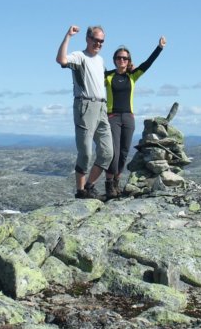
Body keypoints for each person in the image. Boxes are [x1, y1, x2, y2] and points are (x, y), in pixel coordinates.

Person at [103, 36, 166, 198]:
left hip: (129, 118)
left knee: (124, 152)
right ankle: (109, 184)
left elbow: (147, 64)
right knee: (113, 153)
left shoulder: (132, 76)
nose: (122, 60)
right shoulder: (107, 76)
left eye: (125, 58)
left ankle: (116, 182)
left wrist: (159, 48)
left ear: (128, 60)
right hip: (113, 117)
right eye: (119, 57)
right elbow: (90, 76)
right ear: (114, 60)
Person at [56, 24, 113, 199]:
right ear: (88, 39)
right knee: (86, 152)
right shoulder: (80, 56)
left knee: (107, 152)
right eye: (96, 40)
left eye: (102, 41)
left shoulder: (101, 60)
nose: (99, 44)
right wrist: (68, 36)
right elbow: (61, 60)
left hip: (101, 107)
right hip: (85, 106)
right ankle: (80, 192)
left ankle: (89, 186)